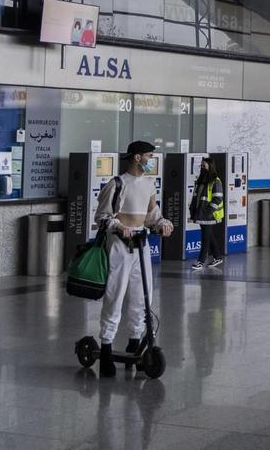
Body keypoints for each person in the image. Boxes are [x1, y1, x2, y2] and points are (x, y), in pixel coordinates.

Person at [94, 140, 174, 378]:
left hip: (141, 244)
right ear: (137, 158)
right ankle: (106, 347)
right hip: (119, 245)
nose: (151, 160)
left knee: (142, 294)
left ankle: (134, 341)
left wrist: (162, 224)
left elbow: (151, 216)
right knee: (115, 295)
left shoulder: (149, 184)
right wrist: (118, 226)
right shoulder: (117, 184)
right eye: (149, 156)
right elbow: (102, 217)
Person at [188, 157, 224, 270]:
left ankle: (201, 261)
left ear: (210, 166)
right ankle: (217, 257)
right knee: (209, 235)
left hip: (209, 215)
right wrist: (193, 208)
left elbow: (217, 199)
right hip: (202, 214)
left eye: (204, 166)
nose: (202, 168)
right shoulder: (201, 180)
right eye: (201, 166)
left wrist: (208, 212)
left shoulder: (215, 181)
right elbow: (196, 197)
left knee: (205, 238)